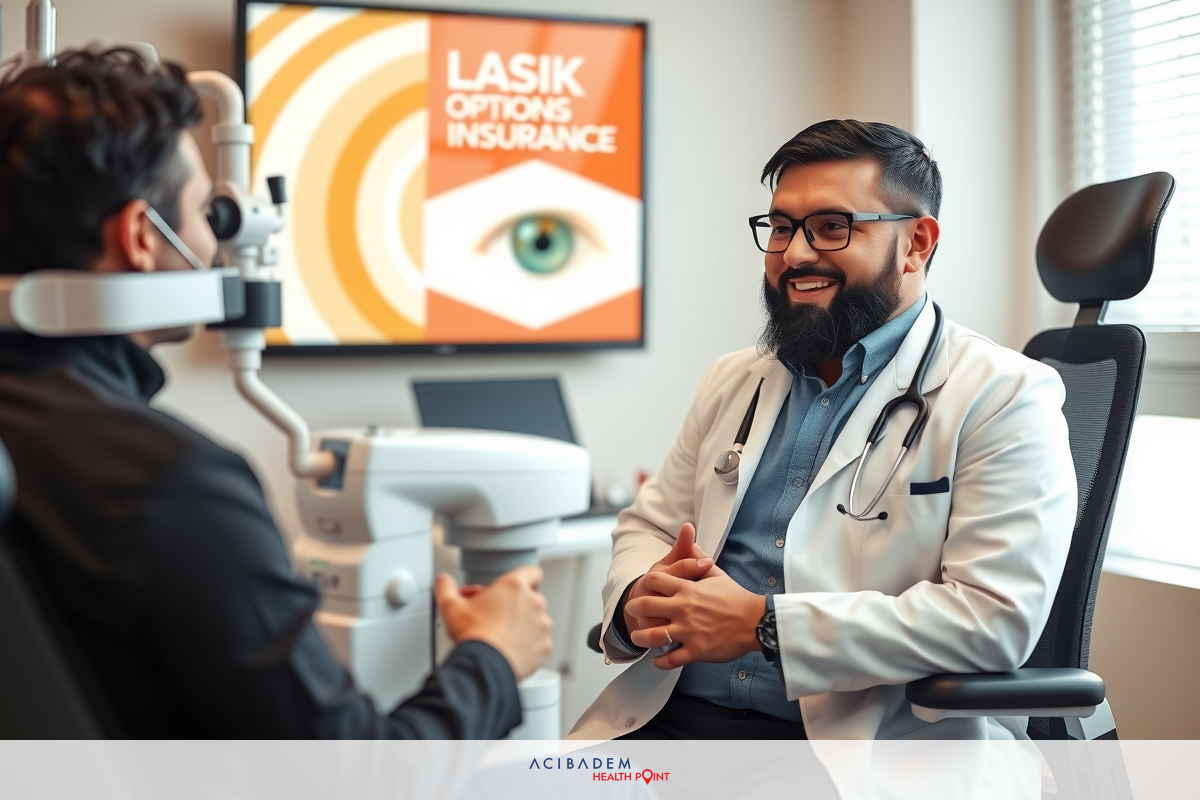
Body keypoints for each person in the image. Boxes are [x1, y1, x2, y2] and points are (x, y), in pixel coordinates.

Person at [0, 49, 552, 738]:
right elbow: (351, 778)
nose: (215, 244)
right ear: (141, 237)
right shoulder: (174, 486)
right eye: (206, 213)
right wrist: (494, 656)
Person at [569, 120, 1077, 740]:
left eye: (832, 227)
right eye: (781, 227)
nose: (795, 254)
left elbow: (992, 620)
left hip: (847, 749)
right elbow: (651, 524)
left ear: (916, 244)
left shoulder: (1004, 394)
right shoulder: (735, 378)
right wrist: (638, 597)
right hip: (670, 718)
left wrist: (763, 625)